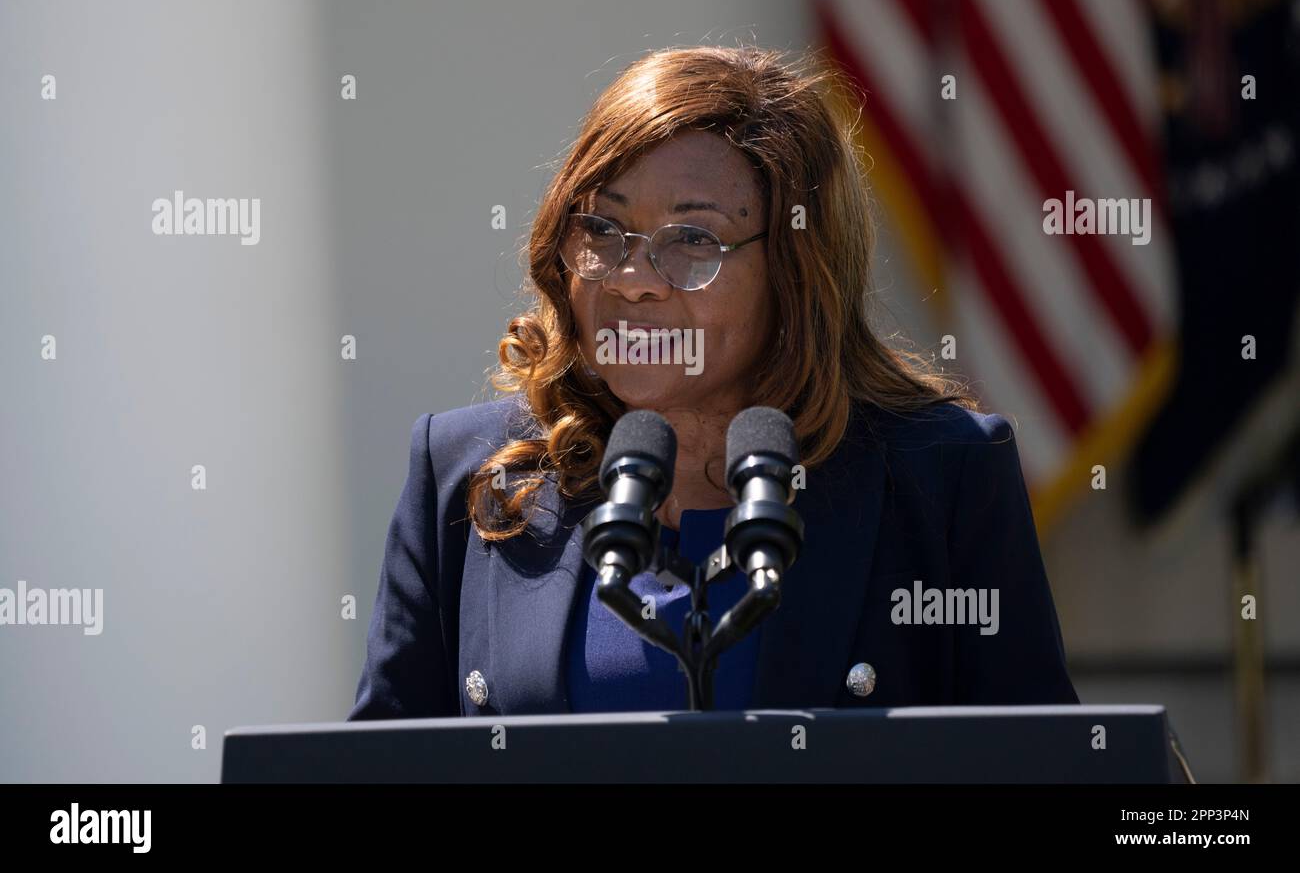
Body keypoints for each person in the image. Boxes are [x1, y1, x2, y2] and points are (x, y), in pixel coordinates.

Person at [348, 45, 1079, 720]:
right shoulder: (464, 478)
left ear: (795, 270)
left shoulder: (941, 477)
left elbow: (1046, 766)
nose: (633, 281)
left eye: (693, 239)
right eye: (602, 231)